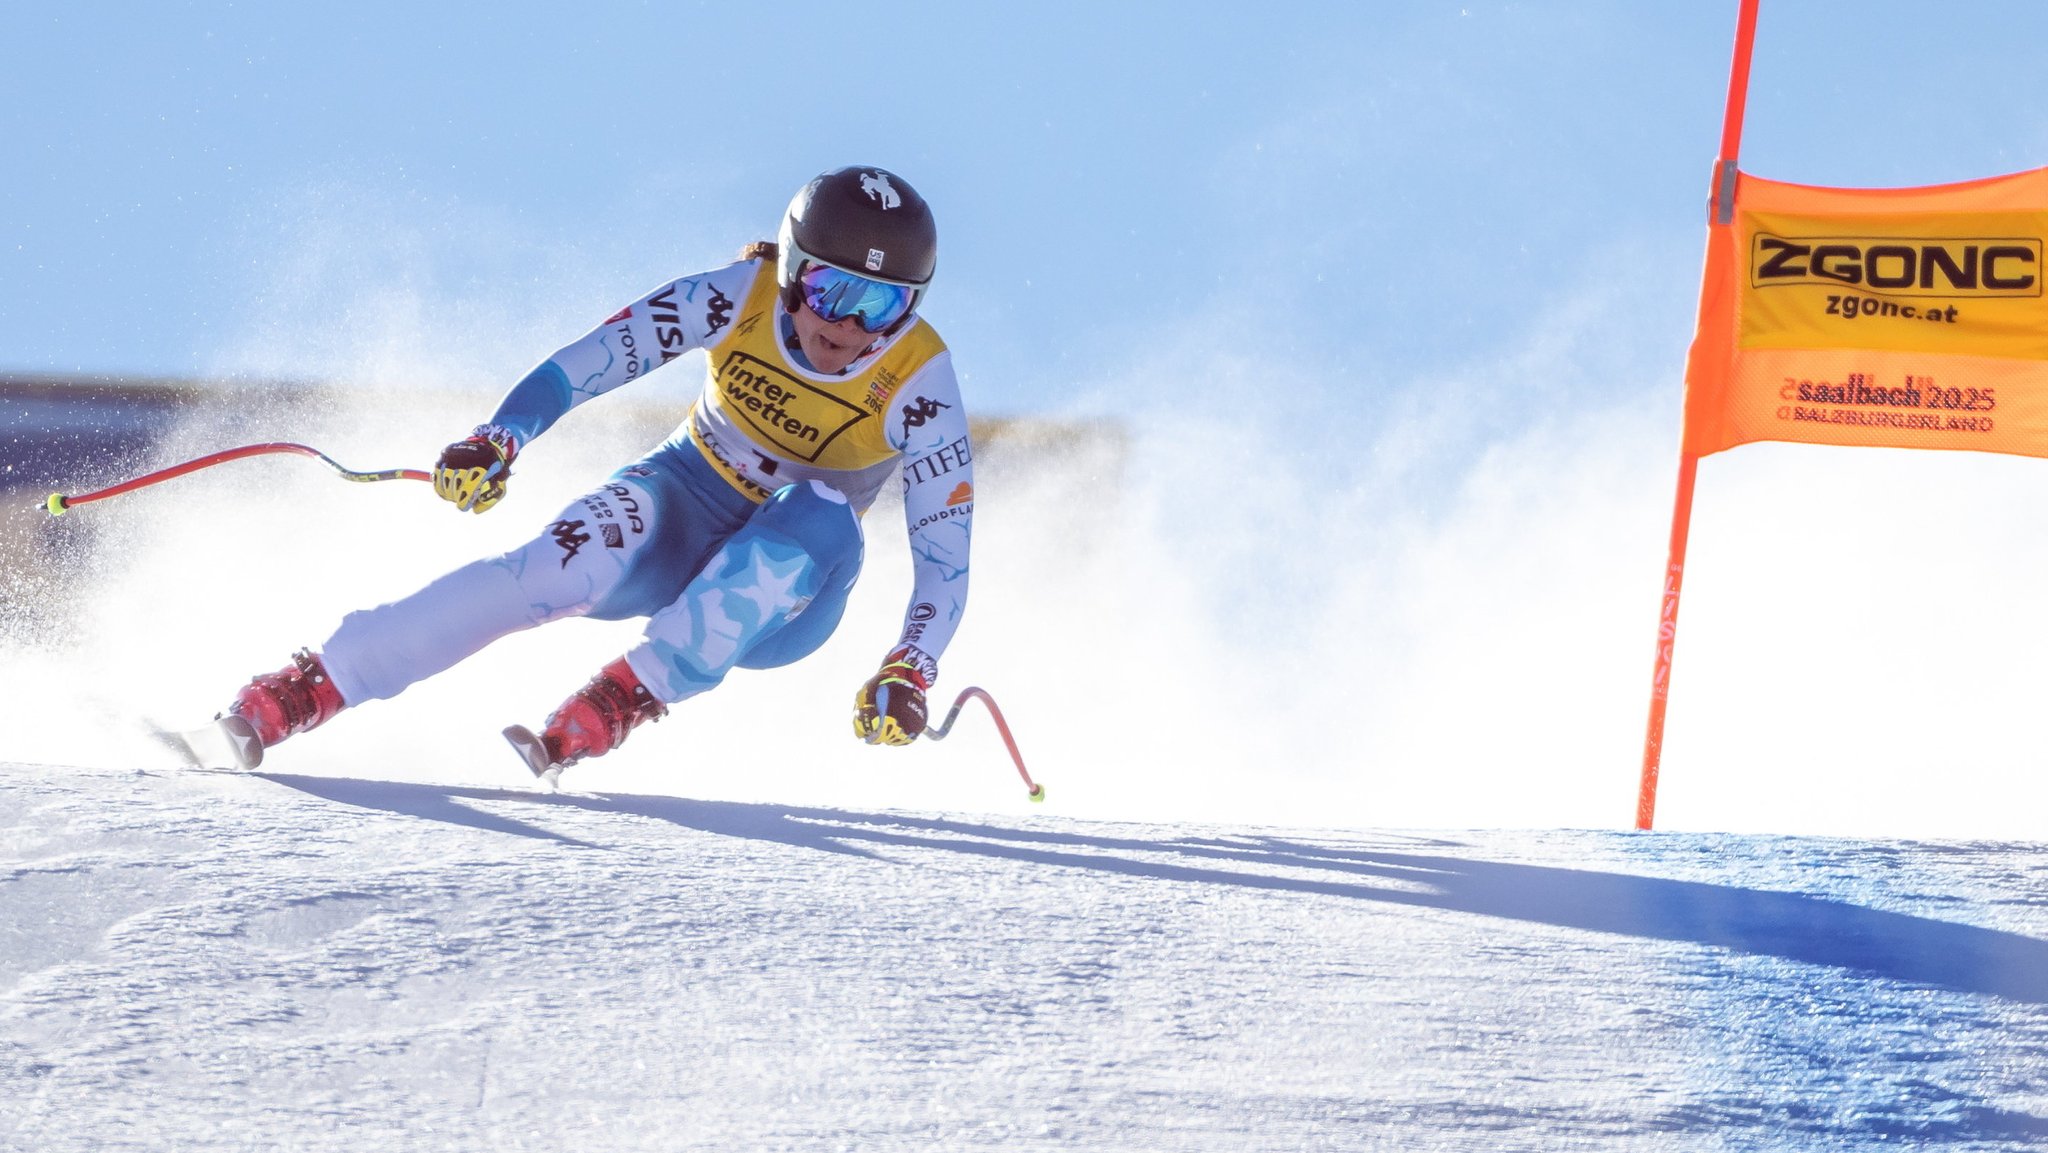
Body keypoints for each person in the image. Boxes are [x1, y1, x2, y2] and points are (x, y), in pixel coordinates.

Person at [213, 165, 974, 783]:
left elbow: (945, 559)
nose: (848, 327)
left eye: (882, 304)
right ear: (791, 270)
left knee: (816, 505)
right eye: (831, 290)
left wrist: (910, 668)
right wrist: (499, 439)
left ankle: (626, 694)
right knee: (543, 568)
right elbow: (589, 364)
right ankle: (317, 682)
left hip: (791, 594)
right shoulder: (733, 296)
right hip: (680, 504)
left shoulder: (919, 381)